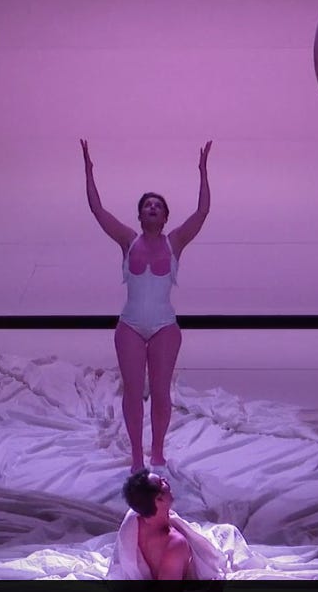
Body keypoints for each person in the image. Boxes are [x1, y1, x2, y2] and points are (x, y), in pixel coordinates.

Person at [80, 139, 212, 473]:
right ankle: (137, 457)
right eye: (147, 205)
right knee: (133, 392)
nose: (152, 208)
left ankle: (157, 452)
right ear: (139, 215)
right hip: (131, 326)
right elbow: (98, 211)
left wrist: (202, 171)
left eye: (158, 206)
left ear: (166, 216)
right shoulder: (128, 239)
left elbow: (202, 213)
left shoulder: (175, 241)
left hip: (166, 326)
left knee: (162, 393)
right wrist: (89, 172)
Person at [107, 469, 225, 581]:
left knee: (226, 530)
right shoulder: (175, 544)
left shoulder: (136, 514)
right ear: (159, 499)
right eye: (161, 482)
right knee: (227, 533)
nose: (165, 479)